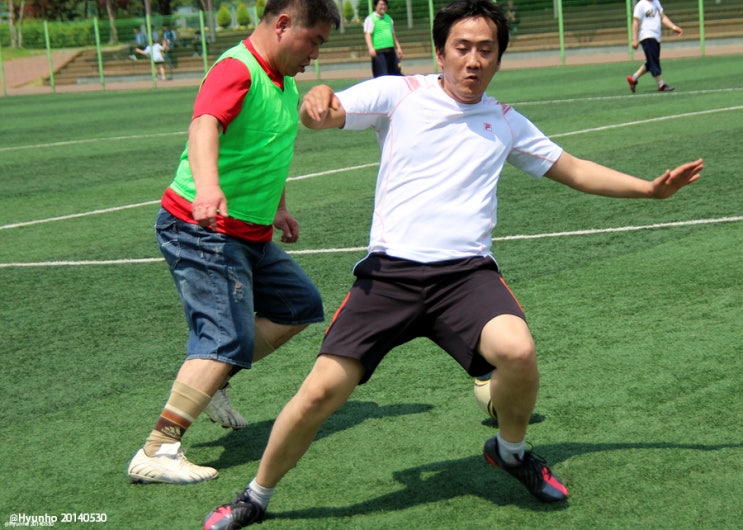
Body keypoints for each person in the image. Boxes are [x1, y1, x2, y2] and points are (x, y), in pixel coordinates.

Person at [203, 0, 704, 526]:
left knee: (518, 349)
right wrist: (317, 103)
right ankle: (255, 496)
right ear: (440, 53)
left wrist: (649, 190)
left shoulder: (505, 122)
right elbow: (325, 113)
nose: (473, 60)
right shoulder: (399, 95)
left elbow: (574, 169)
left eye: (486, 50)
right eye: (462, 48)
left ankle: (510, 451)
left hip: (466, 277)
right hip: (390, 276)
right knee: (320, 392)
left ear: (498, 59)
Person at [126, 0, 341, 485]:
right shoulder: (237, 69)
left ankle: (213, 381)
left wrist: (279, 207)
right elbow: (204, 124)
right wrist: (207, 187)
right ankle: (158, 448)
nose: (315, 54)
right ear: (283, 24)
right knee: (225, 337)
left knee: (298, 306)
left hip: (249, 233)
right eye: (314, 41)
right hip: (203, 229)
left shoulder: (283, 84)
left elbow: (270, 149)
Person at [627, 0, 683, 93]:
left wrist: (674, 27)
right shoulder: (641, 5)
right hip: (647, 36)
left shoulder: (656, 2)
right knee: (653, 61)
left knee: (651, 61)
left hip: (656, 37)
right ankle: (661, 84)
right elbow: (635, 22)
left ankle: (633, 78)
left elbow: (663, 17)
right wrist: (634, 39)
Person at [363, 0, 404, 77]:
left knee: (396, 74)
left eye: (385, 4)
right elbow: (367, 34)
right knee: (382, 76)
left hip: (390, 50)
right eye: (381, 4)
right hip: (379, 52)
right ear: (375, 6)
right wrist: (371, 48)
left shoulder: (389, 18)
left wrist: (398, 47)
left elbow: (393, 34)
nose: (383, 7)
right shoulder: (370, 19)